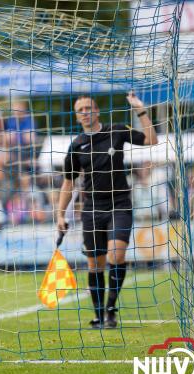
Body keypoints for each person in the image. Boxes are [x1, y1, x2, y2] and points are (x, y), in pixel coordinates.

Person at [57, 92, 158, 329]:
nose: (85, 112)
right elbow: (68, 183)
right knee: (95, 265)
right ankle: (99, 314)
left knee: (117, 255)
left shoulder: (116, 130)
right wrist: (60, 214)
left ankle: (111, 309)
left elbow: (152, 139)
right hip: (92, 210)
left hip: (120, 204)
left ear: (97, 110)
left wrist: (140, 109)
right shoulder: (76, 146)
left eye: (88, 107)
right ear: (76, 115)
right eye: (80, 109)